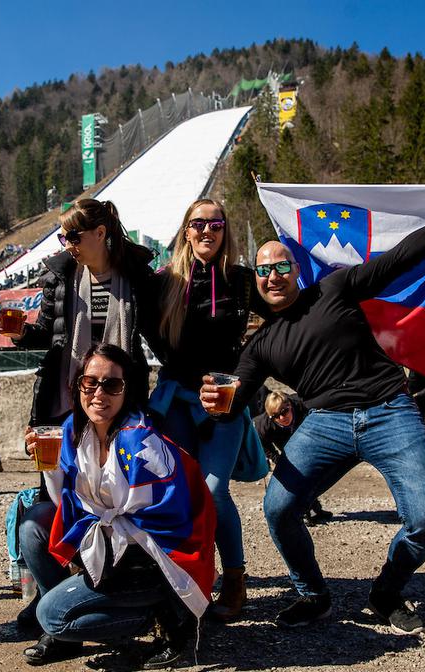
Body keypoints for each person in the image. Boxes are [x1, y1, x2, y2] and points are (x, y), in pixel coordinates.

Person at [200, 182, 425, 633]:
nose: (272, 276)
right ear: (256, 282)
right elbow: (237, 398)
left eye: (281, 265)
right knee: (279, 508)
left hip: (389, 410)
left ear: (296, 270)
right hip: (325, 423)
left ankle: (386, 593)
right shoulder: (259, 345)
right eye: (263, 271)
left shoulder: (334, 289)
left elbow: (402, 257)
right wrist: (215, 405)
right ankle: (313, 595)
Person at [1, 198, 154, 627]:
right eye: (62, 236)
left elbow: (160, 331)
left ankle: (115, 589)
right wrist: (19, 333)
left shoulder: (137, 275)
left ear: (100, 234)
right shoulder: (61, 274)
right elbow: (47, 337)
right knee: (55, 501)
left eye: (72, 235)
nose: (65, 243)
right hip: (64, 406)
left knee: (119, 502)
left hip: (120, 406)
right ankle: (48, 596)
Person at [18, 343, 215, 670]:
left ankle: (164, 617)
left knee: (52, 617)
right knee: (34, 523)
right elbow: (62, 501)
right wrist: (48, 465)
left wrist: (97, 550)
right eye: (90, 382)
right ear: (78, 385)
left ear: (127, 391)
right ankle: (77, 629)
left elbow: (167, 522)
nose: (98, 393)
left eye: (111, 385)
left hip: (152, 556)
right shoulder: (71, 430)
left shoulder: (138, 443)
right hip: (110, 539)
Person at [141, 198, 266, 622]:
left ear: (225, 230)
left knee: (214, 490)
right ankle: (186, 578)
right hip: (176, 397)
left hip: (226, 399)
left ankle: (234, 577)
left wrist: (252, 378)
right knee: (180, 491)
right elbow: (139, 324)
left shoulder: (243, 281)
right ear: (186, 230)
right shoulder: (165, 282)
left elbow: (284, 318)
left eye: (215, 223)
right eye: (198, 224)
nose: (207, 230)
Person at [252, 390, 333, 526]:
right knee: (298, 476)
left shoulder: (303, 406)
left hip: (309, 437)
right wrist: (277, 459)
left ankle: (315, 509)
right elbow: (262, 443)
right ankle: (304, 512)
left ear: (290, 405)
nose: (282, 418)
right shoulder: (264, 425)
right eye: (276, 416)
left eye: (284, 411)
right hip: (286, 444)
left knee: (313, 475)